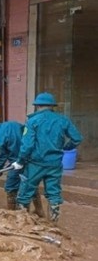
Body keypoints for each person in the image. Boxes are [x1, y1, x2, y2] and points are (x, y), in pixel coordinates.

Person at [13, 92, 83, 222]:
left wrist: (20, 161)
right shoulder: (63, 120)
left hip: (35, 164)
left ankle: (22, 224)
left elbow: (27, 145)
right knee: (54, 194)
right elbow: (77, 138)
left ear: (37, 106)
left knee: (25, 193)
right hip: (54, 163)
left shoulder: (33, 121)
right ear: (52, 106)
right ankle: (53, 225)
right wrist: (66, 147)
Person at [0, 113, 42, 211]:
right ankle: (39, 210)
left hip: (17, 162)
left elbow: (2, 156)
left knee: (10, 186)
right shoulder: (12, 124)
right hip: (30, 158)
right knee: (30, 183)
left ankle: (12, 214)